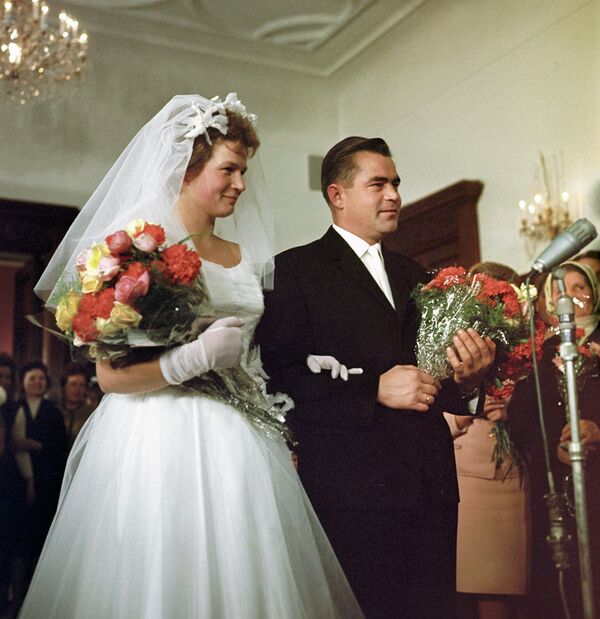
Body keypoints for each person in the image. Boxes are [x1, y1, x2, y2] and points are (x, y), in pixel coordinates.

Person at [18, 94, 363, 619]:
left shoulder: (248, 259)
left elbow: (249, 352)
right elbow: (110, 376)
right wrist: (190, 359)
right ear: (185, 168)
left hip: (241, 441)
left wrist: (299, 360)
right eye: (228, 169)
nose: (242, 184)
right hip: (157, 436)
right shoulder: (134, 251)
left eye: (244, 170)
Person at [256, 136, 495, 618]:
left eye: (396, 184)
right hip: (352, 490)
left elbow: (435, 380)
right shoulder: (294, 270)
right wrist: (372, 390)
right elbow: (277, 378)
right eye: (378, 184)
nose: (394, 195)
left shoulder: (417, 274)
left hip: (430, 484)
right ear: (337, 195)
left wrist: (469, 377)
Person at [508, 260, 600, 618]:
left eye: (580, 288)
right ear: (547, 302)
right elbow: (520, 421)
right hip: (555, 487)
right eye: (560, 289)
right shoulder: (536, 357)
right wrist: (552, 446)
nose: (570, 296)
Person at [443, 262, 528, 619]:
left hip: (509, 481)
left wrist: (514, 407)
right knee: (457, 590)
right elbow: (438, 412)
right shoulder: (454, 347)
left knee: (500, 591)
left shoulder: (529, 351)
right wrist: (463, 407)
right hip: (463, 480)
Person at [10, 361, 66, 616]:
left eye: (41, 379)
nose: (37, 383)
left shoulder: (53, 412)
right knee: (18, 544)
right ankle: (16, 600)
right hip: (16, 484)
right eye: (32, 378)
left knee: (40, 542)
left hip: (46, 483)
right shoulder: (12, 409)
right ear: (23, 382)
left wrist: (37, 447)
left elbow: (59, 448)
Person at [57, 363, 95, 455]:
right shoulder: (54, 411)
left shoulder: (92, 414)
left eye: (82, 385)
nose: (77, 389)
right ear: (64, 387)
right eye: (73, 384)